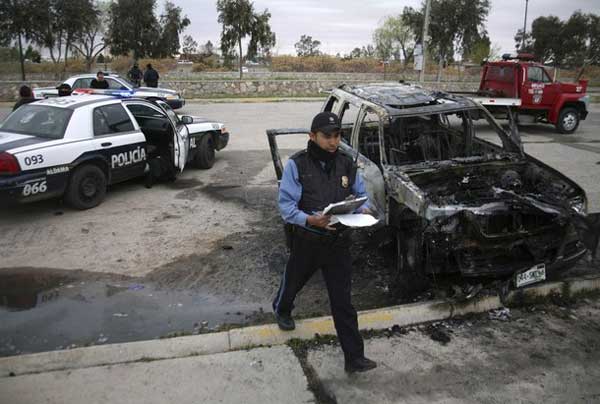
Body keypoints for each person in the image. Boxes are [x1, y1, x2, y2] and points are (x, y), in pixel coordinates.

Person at [273, 112, 378, 373]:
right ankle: (282, 309)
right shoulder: (297, 165)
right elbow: (286, 207)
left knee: (343, 302)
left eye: (337, 136)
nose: (333, 142)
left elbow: (362, 195)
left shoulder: (346, 164)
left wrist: (363, 208)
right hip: (307, 241)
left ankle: (354, 358)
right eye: (327, 136)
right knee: (293, 282)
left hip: (338, 242)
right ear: (312, 136)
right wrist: (309, 220)